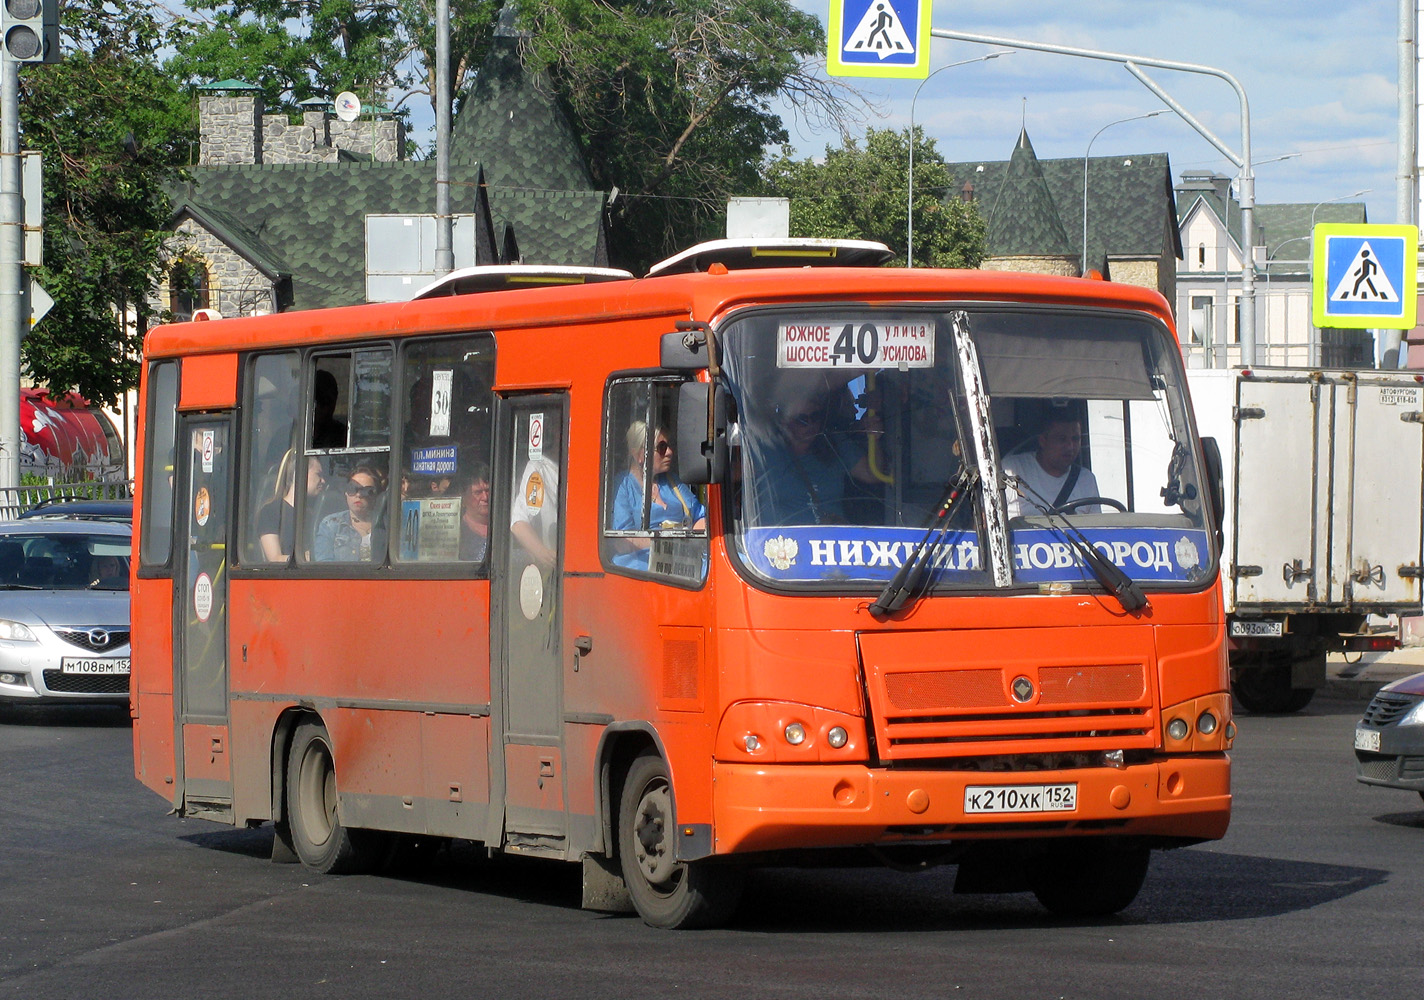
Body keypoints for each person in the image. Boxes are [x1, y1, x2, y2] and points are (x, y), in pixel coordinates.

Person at [750, 389, 880, 525]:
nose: (811, 424)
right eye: (803, 420)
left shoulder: (835, 445)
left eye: (815, 416)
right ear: (784, 421)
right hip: (781, 542)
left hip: (831, 541)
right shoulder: (764, 451)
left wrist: (874, 438)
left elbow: (872, 474)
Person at [611, 422, 706, 569]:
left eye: (669, 446)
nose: (669, 452)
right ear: (640, 455)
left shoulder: (672, 481)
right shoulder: (622, 486)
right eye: (662, 448)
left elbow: (700, 516)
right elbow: (623, 541)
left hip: (683, 561)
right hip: (641, 566)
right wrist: (670, 544)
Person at [1002, 413, 1101, 516]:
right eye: (1062, 439)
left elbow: (1097, 528)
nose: (1070, 447)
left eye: (1075, 439)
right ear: (1043, 441)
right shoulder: (1013, 469)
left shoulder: (1087, 479)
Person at [258, 449, 327, 561]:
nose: (323, 481)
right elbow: (275, 558)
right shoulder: (271, 511)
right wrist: (307, 558)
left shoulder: (314, 515)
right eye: (318, 474)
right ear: (300, 473)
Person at [315, 464, 385, 561]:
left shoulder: (386, 525)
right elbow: (324, 565)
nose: (358, 495)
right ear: (346, 493)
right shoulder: (330, 525)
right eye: (352, 488)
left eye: (366, 490)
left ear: (375, 495)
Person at [459, 466, 492, 562]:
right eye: (478, 492)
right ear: (464, 497)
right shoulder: (458, 532)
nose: (485, 497)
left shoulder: (507, 527)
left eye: (488, 490)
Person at [311, 369, 348, 449]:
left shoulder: (342, 436)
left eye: (329, 402)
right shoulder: (287, 434)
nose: (326, 410)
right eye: (323, 402)